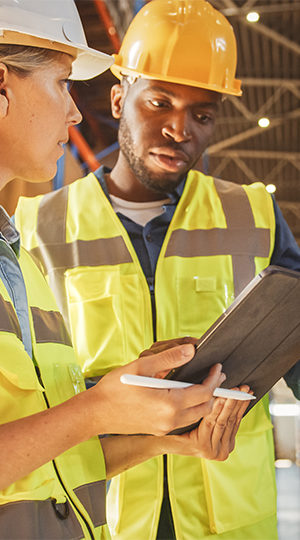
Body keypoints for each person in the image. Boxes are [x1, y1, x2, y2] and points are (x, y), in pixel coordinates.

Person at [15, 1, 300, 539]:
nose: (179, 129)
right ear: (120, 98)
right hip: (105, 512)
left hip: (230, 515)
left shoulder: (254, 215)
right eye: (160, 102)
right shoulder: (35, 227)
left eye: (202, 114)